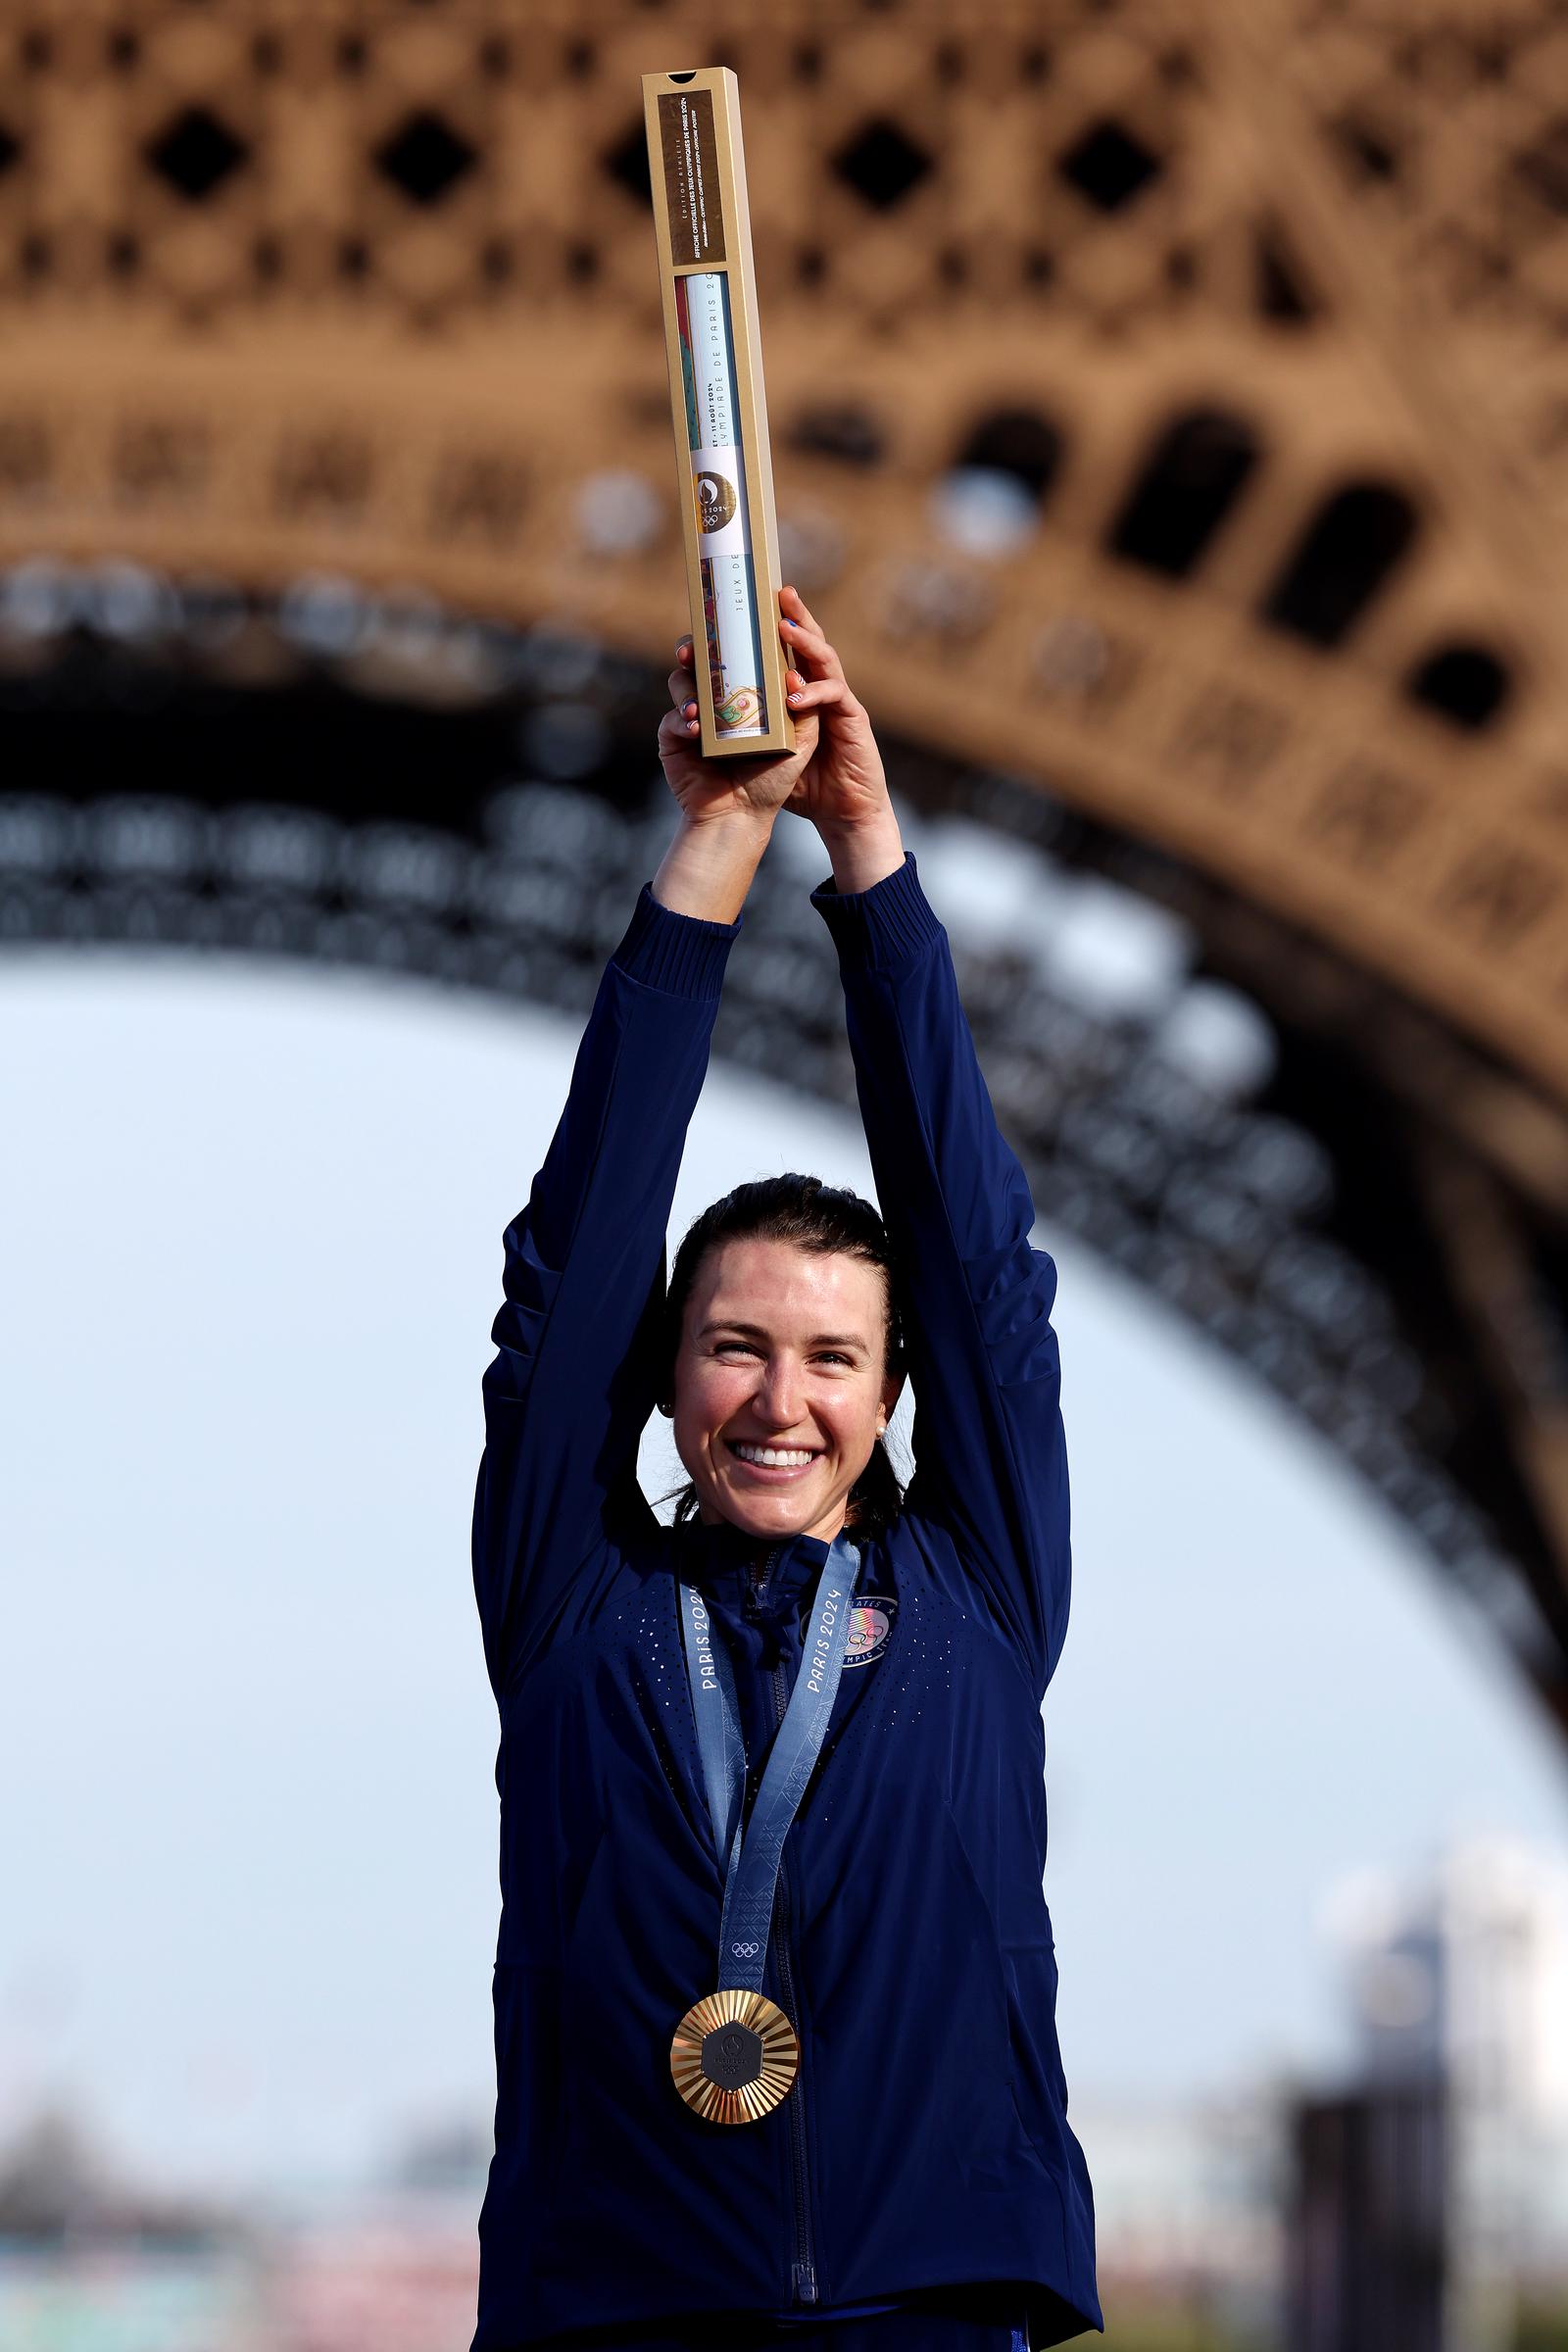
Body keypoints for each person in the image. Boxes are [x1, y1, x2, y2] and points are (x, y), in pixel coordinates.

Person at [469, 587, 1102, 2352]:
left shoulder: (979, 1590)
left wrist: (868, 859)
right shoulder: (574, 1600)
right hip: (622, 2307)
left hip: (935, 2296)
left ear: (895, 1393)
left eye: (833, 1359)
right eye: (733, 1346)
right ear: (666, 1385)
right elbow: (573, 1273)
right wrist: (716, 849)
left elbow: (982, 1274)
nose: (778, 1399)